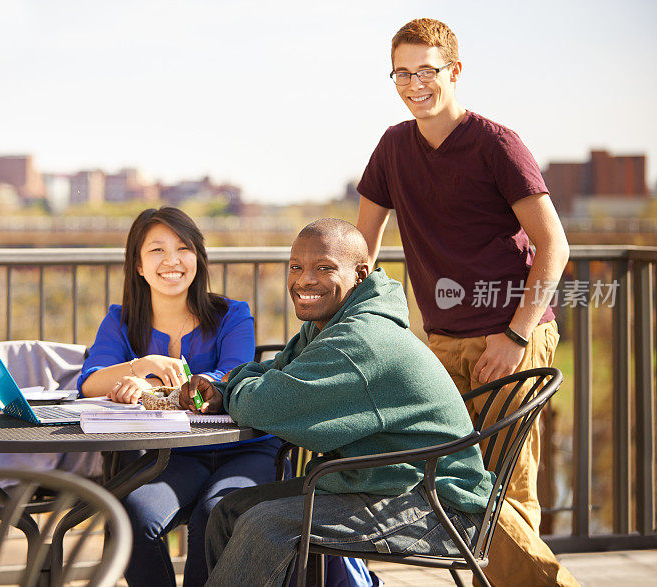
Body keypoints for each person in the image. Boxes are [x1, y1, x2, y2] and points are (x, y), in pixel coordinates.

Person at [354, 18, 575, 586]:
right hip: (440, 341)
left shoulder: (495, 144)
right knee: (458, 482)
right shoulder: (394, 146)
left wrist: (517, 337)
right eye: (401, 72)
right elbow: (362, 251)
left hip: (512, 332)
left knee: (505, 487)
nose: (413, 83)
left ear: (453, 71)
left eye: (425, 70)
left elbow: (555, 245)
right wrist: (367, 320)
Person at [179, 219, 495, 587]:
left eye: (324, 268)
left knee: (263, 525)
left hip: (435, 506)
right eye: (296, 267)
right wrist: (227, 385)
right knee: (229, 511)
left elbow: (264, 405)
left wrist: (234, 391)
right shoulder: (330, 324)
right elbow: (279, 371)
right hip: (379, 481)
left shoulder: (361, 339)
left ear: (360, 274)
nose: (304, 280)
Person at [77, 206, 282, 587]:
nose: (171, 260)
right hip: (174, 454)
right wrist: (141, 367)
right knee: (132, 518)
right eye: (156, 250)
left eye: (183, 248)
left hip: (245, 447)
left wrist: (158, 389)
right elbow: (90, 382)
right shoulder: (120, 321)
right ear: (138, 265)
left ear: (197, 258)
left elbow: (232, 375)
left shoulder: (232, 315)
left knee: (213, 513)